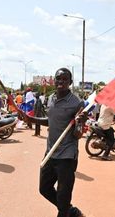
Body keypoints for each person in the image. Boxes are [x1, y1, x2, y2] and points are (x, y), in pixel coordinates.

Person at [38, 68, 85, 217]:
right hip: (50, 153)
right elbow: (51, 121)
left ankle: (65, 210)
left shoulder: (76, 103)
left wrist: (80, 122)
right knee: (44, 189)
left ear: (70, 82)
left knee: (63, 197)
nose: (61, 82)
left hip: (67, 156)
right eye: (58, 78)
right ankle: (70, 211)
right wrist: (29, 119)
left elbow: (78, 134)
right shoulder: (50, 98)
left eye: (65, 79)